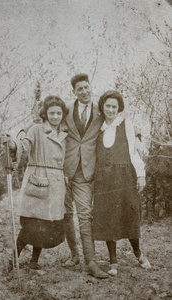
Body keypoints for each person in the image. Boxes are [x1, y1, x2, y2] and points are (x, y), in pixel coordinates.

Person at [2, 96, 69, 270]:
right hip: (38, 179)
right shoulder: (36, 129)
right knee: (32, 225)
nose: (55, 116)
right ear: (45, 114)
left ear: (63, 114)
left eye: (58, 113)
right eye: (51, 113)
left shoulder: (65, 133)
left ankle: (34, 261)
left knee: (46, 225)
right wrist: (13, 145)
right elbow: (25, 144)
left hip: (57, 185)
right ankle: (13, 258)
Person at [92, 90, 151, 276]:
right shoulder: (98, 128)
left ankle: (138, 253)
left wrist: (140, 175)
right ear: (102, 107)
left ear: (119, 109)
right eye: (107, 106)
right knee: (109, 217)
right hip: (104, 180)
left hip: (125, 176)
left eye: (114, 107)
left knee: (129, 214)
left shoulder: (125, 124)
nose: (110, 109)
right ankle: (113, 261)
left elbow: (134, 151)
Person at [63, 73, 109, 278]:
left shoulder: (102, 109)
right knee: (65, 214)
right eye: (79, 89)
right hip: (63, 170)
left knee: (84, 215)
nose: (84, 91)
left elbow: (118, 121)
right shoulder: (65, 110)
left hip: (86, 172)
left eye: (86, 87)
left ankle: (91, 262)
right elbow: (43, 119)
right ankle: (74, 255)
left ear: (91, 87)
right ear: (74, 92)